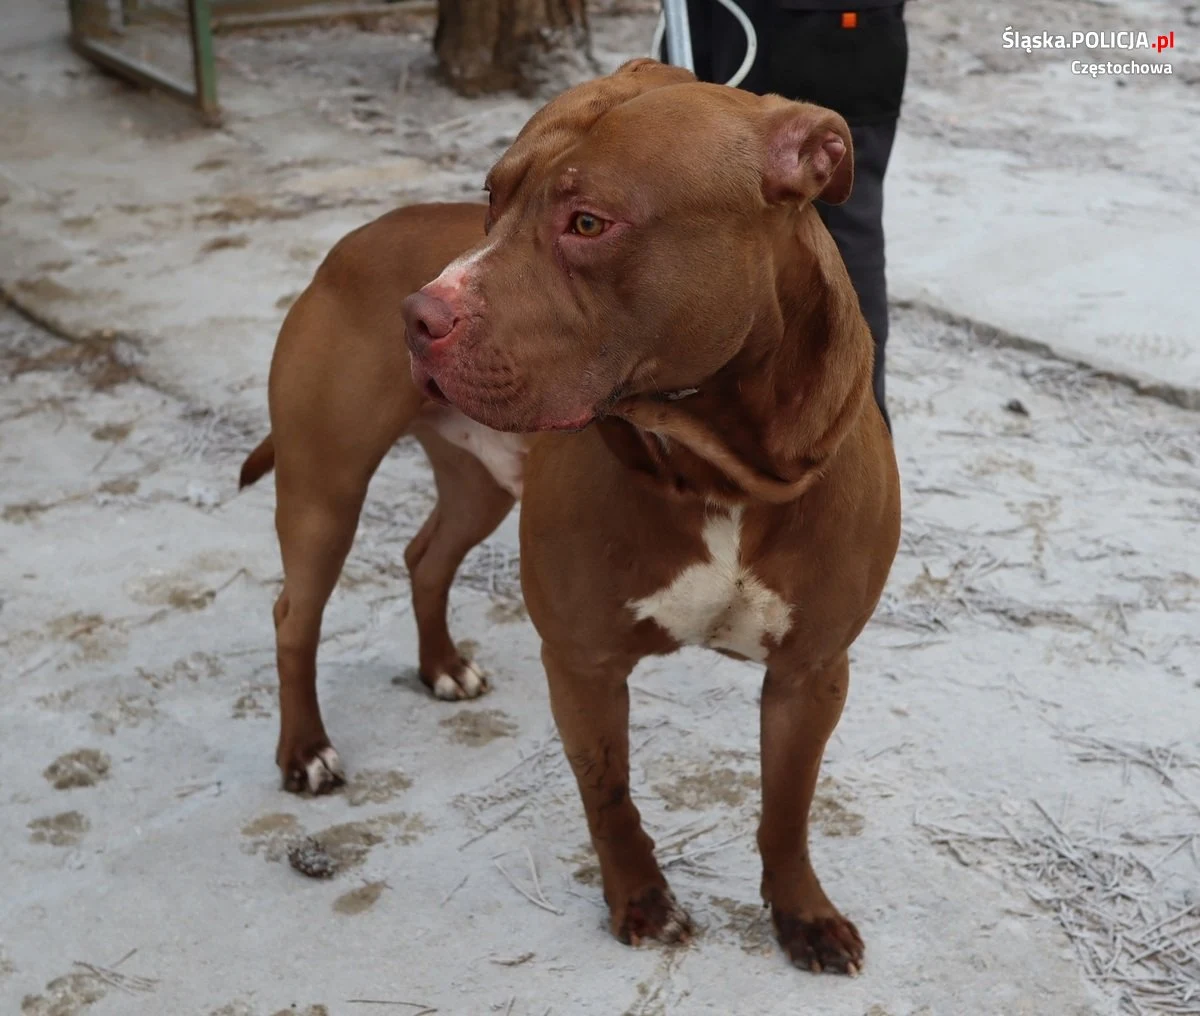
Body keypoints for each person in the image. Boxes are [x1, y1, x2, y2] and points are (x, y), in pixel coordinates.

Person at [676, 0, 908, 432]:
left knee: (837, 224)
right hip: (723, 17)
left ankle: (853, 450)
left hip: (819, 23)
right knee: (707, 209)